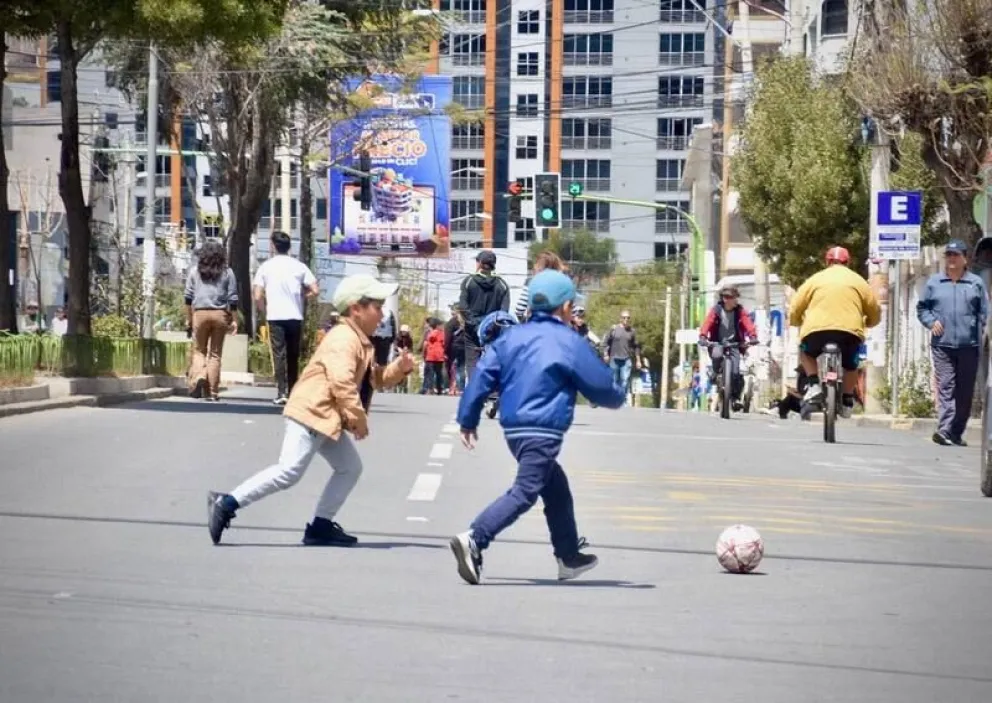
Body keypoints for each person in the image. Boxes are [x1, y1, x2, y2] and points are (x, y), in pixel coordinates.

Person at [206, 274, 415, 547]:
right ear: (356, 309)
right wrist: (358, 419)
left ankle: (321, 526)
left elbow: (374, 379)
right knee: (288, 472)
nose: (382, 314)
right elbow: (342, 383)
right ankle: (227, 503)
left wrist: (399, 368)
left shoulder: (360, 340)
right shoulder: (344, 339)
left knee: (349, 468)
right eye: (377, 306)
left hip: (327, 419)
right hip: (312, 414)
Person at [449, 270, 626, 585]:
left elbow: (482, 376)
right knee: (526, 491)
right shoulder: (568, 341)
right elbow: (599, 384)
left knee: (555, 486)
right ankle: (476, 537)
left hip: (514, 428)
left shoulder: (510, 338)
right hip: (543, 427)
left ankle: (568, 555)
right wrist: (615, 395)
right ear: (566, 307)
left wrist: (468, 418)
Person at [788, 245, 882, 418]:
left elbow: (795, 306)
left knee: (805, 352)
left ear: (827, 261)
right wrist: (869, 322)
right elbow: (874, 310)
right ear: (848, 262)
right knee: (851, 365)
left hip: (817, 331)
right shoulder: (858, 281)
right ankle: (847, 398)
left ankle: (814, 384)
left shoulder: (815, 279)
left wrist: (796, 321)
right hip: (849, 332)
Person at [916, 239, 989, 446]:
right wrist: (931, 322)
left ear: (965, 259)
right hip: (942, 345)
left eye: (956, 255)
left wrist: (984, 334)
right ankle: (944, 429)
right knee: (946, 387)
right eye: (948, 255)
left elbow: (985, 312)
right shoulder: (934, 283)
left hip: (970, 345)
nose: (951, 259)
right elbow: (922, 309)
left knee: (964, 392)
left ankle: (956, 432)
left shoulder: (975, 283)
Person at [253, 231, 319, 405]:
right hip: (295, 316)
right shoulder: (299, 266)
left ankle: (281, 392)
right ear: (289, 247)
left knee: (279, 355)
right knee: (293, 354)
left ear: (274, 246)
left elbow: (258, 295)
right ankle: (293, 391)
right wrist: (301, 295)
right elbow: (315, 289)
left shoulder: (265, 267)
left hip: (275, 316)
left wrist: (263, 311)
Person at [184, 241, 239, 400]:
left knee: (199, 350)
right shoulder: (227, 272)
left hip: (199, 314)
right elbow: (233, 298)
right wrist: (234, 320)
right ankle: (213, 393)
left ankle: (200, 375)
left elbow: (188, 298)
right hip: (220, 315)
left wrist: (189, 319)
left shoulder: (195, 271)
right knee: (215, 354)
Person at [697, 285, 758, 411]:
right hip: (718, 342)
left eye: (734, 297)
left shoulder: (739, 311)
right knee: (717, 355)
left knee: (736, 372)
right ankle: (715, 372)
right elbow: (707, 322)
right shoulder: (717, 310)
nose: (734, 300)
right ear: (724, 299)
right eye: (731, 297)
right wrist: (703, 336)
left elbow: (748, 323)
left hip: (735, 343)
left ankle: (735, 398)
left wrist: (752, 336)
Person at [458, 250, 511, 382]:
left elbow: (463, 307)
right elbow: (504, 311)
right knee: (493, 359)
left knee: (472, 361)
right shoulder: (502, 285)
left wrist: (475, 325)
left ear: (479, 263)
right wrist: (492, 325)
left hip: (472, 329)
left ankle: (475, 390)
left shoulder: (469, 281)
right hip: (493, 328)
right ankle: (492, 392)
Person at [514, 250, 565, 322]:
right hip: (556, 327)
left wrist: (525, 323)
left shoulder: (531, 282)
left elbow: (519, 310)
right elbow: (572, 311)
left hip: (535, 326)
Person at [602, 310, 640, 403]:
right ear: (620, 319)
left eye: (628, 318)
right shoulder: (614, 329)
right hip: (614, 358)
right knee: (614, 380)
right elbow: (605, 342)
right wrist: (605, 354)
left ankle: (622, 399)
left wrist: (639, 360)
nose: (626, 319)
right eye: (624, 317)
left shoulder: (632, 331)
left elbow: (636, 347)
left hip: (626, 359)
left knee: (625, 381)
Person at [423, 319, 447, 395]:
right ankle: (439, 388)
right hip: (439, 356)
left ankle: (430, 389)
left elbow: (430, 338)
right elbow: (444, 343)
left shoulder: (433, 332)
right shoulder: (442, 333)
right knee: (439, 373)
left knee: (431, 373)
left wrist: (431, 331)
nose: (442, 327)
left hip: (431, 356)